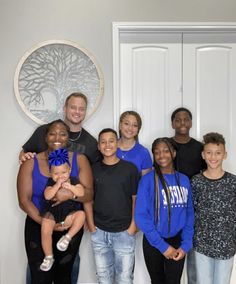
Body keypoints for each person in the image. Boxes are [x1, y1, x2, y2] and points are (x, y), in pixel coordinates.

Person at [19, 92, 100, 284]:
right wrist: (44, 222)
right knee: (40, 276)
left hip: (70, 223)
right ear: (44, 137)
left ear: (68, 139)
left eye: (63, 134)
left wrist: (69, 194)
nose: (57, 138)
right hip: (38, 223)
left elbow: (89, 193)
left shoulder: (79, 160)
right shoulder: (31, 162)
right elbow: (24, 200)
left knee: (64, 277)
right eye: (52, 133)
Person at [135, 137, 194, 284]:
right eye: (157, 152)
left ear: (173, 153)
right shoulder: (148, 180)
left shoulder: (184, 180)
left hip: (177, 241)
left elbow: (189, 214)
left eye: (166, 151)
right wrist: (162, 246)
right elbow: (141, 216)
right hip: (153, 241)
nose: (161, 155)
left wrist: (186, 244)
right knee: (157, 281)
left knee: (174, 281)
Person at [86, 128, 140, 284]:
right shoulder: (93, 170)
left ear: (117, 143)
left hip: (124, 232)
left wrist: (133, 226)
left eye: (111, 141)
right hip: (99, 232)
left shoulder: (129, 169)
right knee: (103, 278)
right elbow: (88, 199)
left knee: (124, 278)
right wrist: (91, 225)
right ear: (98, 146)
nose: (107, 145)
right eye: (103, 142)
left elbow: (135, 198)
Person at [191, 132, 236, 284]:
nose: (213, 157)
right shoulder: (196, 181)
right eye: (209, 153)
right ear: (203, 155)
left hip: (227, 244)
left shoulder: (232, 182)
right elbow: (191, 211)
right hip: (202, 244)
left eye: (218, 153)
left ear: (225, 155)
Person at [170, 107, 206, 284]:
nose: (182, 123)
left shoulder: (199, 148)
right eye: (178, 119)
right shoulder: (166, 146)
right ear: (172, 123)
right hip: (170, 207)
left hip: (193, 208)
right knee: (172, 262)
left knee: (193, 260)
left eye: (186, 119)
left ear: (191, 122)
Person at [20, 92, 101, 164]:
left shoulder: (92, 143)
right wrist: (24, 157)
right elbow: (23, 154)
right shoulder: (44, 131)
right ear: (65, 109)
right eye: (73, 107)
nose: (77, 112)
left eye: (81, 109)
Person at [40, 148, 86, 272]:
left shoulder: (74, 180)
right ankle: (49, 256)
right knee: (45, 227)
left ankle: (67, 237)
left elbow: (81, 192)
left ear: (70, 170)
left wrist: (71, 187)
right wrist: (56, 185)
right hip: (53, 214)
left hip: (69, 214)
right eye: (56, 174)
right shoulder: (50, 182)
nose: (60, 176)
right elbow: (47, 195)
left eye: (63, 172)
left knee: (81, 215)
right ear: (50, 173)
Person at [117, 110, 152, 176]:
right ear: (120, 125)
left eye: (135, 125)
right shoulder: (109, 148)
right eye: (126, 124)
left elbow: (146, 183)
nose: (130, 128)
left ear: (138, 129)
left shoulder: (143, 152)